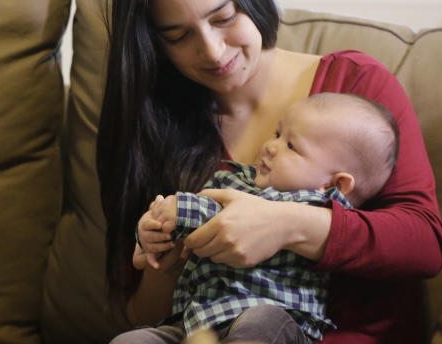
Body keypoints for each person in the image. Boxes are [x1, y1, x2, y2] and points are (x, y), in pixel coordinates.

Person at [96, 0, 442, 343]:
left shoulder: (354, 87)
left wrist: (287, 224)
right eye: (178, 36)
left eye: (223, 18)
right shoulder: (153, 125)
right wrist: (166, 260)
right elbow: (138, 312)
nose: (212, 51)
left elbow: (424, 243)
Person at [114, 92, 400, 343]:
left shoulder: (315, 204)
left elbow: (214, 214)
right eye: (277, 134)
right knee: (132, 339)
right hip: (194, 323)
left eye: (292, 147)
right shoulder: (230, 178)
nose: (270, 146)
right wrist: (152, 229)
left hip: (271, 320)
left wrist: (180, 210)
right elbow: (184, 224)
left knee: (262, 322)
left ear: (334, 184)